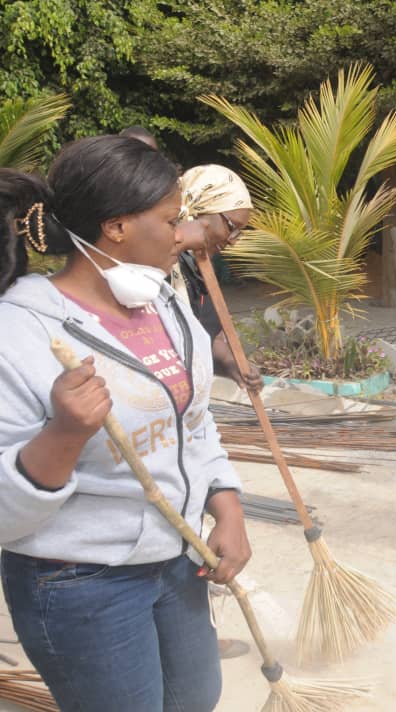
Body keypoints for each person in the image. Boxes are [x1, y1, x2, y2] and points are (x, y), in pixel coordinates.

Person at [0, 135, 249, 711]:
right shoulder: (21, 332)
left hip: (177, 561)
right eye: (170, 220)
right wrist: (63, 436)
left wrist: (227, 506)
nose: (182, 234)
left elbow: (194, 422)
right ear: (116, 228)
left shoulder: (167, 305)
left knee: (195, 698)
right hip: (78, 581)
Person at [176, 164, 262, 393]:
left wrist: (231, 364)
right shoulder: (159, 267)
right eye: (232, 227)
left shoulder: (198, 269)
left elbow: (204, 335)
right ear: (199, 211)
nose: (233, 240)